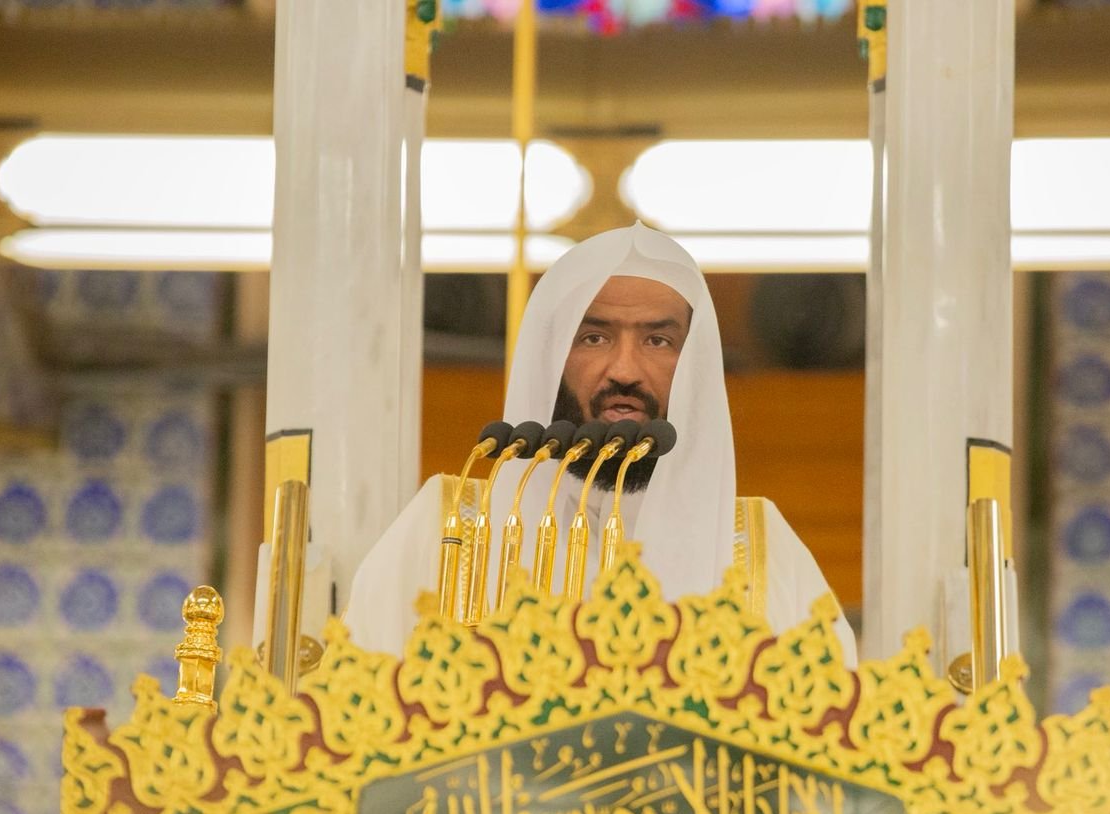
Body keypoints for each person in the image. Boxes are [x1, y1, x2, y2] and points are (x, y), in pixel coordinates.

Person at [344, 223, 857, 664]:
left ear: (695, 368)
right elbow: (356, 712)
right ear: (551, 356)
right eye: (594, 337)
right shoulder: (447, 531)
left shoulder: (760, 548)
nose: (625, 370)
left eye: (658, 340)